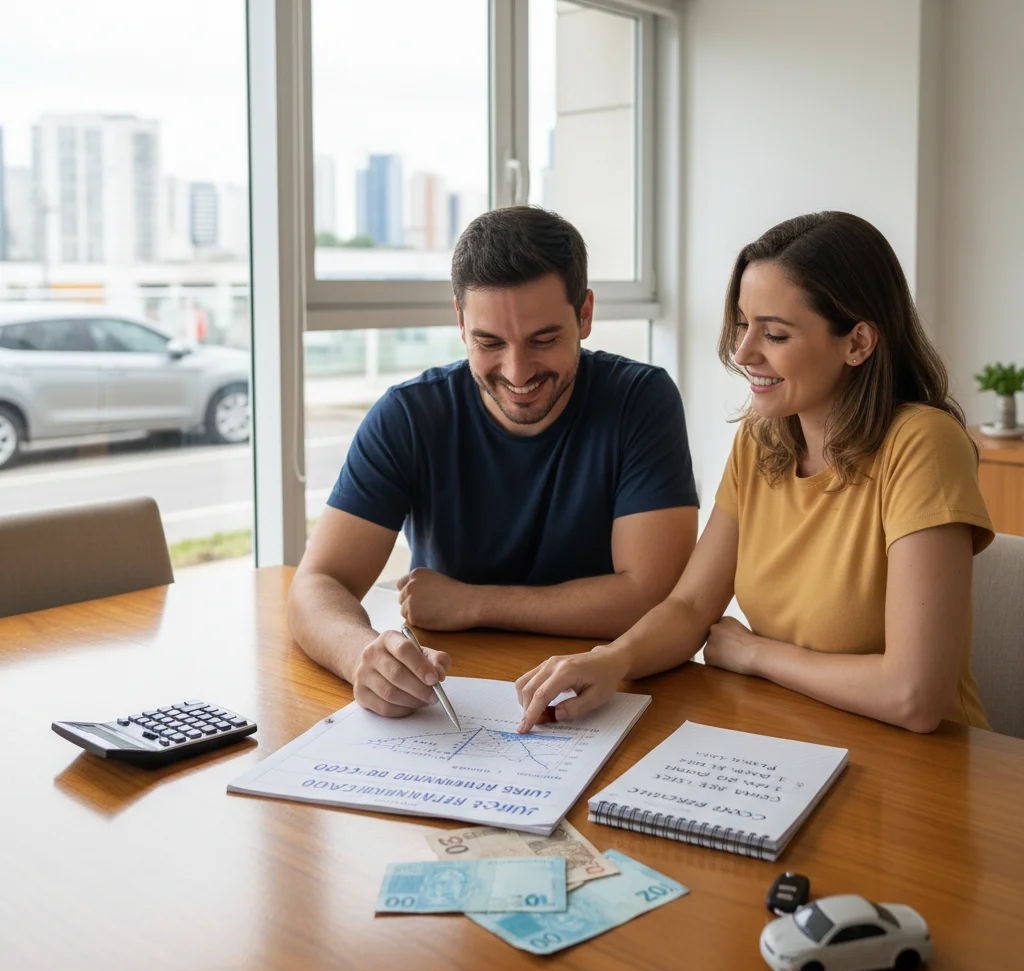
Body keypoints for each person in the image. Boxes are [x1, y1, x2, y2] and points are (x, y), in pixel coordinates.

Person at [516, 211, 994, 735]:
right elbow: (692, 605)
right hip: (796, 736)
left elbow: (915, 697)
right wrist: (612, 660)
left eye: (775, 334)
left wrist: (755, 654)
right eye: (744, 324)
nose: (743, 352)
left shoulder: (923, 444)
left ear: (858, 342)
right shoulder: (761, 439)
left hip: (926, 770)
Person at [288, 206, 699, 718]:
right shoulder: (409, 415)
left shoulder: (641, 400)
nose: (517, 371)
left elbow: (654, 596)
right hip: (453, 699)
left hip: (607, 692)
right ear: (460, 322)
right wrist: (358, 655)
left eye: (543, 340)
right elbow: (317, 583)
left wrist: (474, 602)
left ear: (586, 314)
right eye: (489, 342)